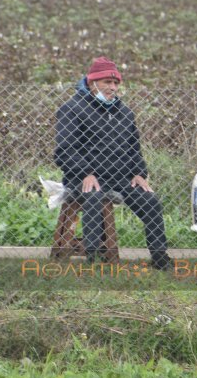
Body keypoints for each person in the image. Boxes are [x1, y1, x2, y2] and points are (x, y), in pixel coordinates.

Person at [54, 56, 171, 270]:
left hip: (120, 179)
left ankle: (160, 258)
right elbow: (64, 151)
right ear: (92, 83)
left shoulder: (124, 113)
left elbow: (134, 148)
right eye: (107, 82)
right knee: (95, 198)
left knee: (150, 201)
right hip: (84, 178)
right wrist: (85, 173)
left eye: (116, 83)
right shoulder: (72, 109)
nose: (113, 87)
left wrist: (138, 173)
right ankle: (94, 259)